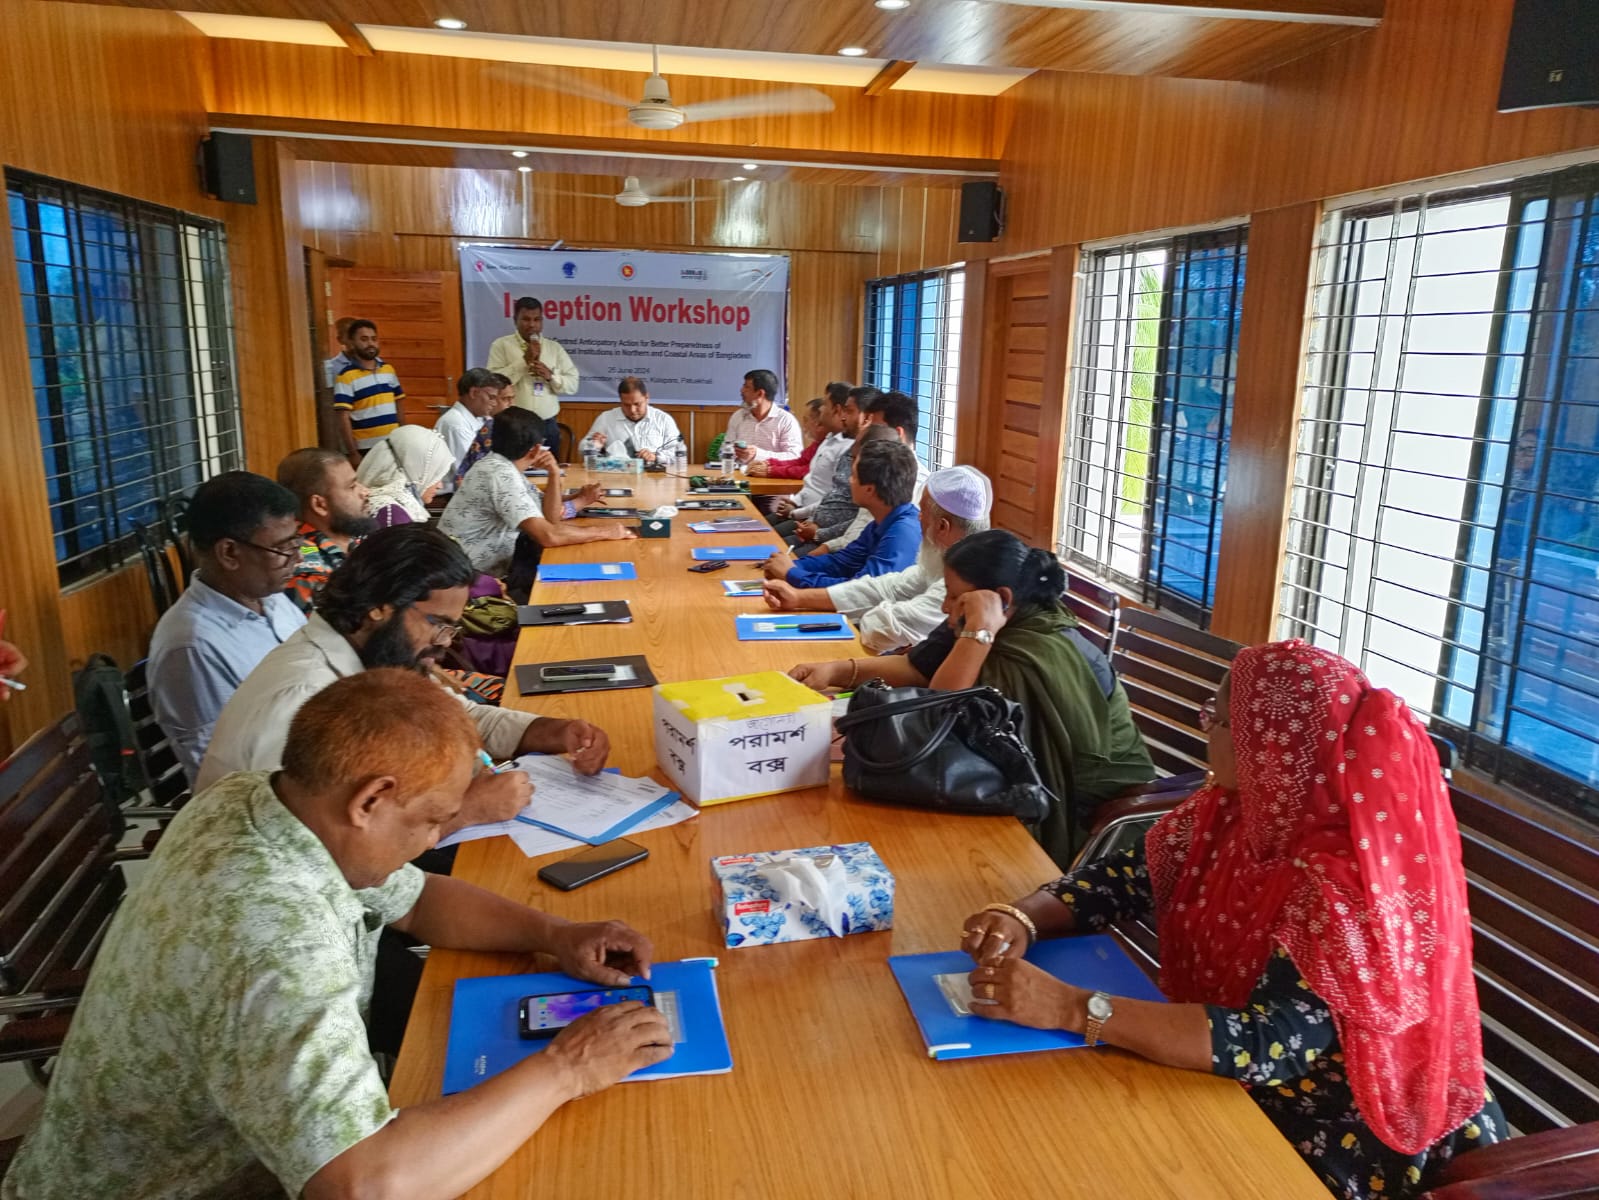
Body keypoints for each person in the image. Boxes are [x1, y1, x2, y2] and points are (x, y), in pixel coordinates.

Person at [1, 669, 670, 1200]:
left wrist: (553, 932)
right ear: (369, 801)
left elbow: (417, 901)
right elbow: (363, 1185)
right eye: (433, 819)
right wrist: (567, 1068)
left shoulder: (264, 802)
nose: (439, 838)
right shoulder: (271, 933)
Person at [956, 640, 1506, 1199]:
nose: (1206, 731)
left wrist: (1070, 1007)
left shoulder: (1345, 885)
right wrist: (1021, 915)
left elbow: (1270, 1043)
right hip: (1225, 1083)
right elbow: (1123, 879)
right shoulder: (1235, 810)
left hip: (1335, 1130)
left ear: (1274, 741)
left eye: (1218, 719)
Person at [791, 530, 1154, 862]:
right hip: (991, 773)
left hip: (1088, 808)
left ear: (1000, 599)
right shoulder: (980, 621)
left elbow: (940, 717)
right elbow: (919, 670)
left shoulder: (1033, 652)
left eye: (953, 596)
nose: (945, 606)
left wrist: (978, 632)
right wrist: (838, 670)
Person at [195, 524, 609, 811]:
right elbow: (310, 849)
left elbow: (455, 716)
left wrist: (548, 731)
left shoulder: (378, 654)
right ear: (380, 606)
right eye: (438, 625)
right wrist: (464, 810)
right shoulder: (301, 700)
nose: (444, 645)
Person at [146, 471, 307, 783]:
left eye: (296, 542)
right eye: (283, 548)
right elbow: (225, 771)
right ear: (230, 553)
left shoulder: (272, 601)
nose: (296, 558)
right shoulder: (194, 646)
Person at [763, 464, 991, 653]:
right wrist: (799, 598)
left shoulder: (968, 576)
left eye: (922, 512)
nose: (918, 518)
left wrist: (872, 612)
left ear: (943, 526)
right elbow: (884, 587)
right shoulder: (941, 559)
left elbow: (882, 629)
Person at [440, 407, 630, 580]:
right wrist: (606, 531)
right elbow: (549, 535)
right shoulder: (499, 474)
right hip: (464, 579)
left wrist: (554, 474)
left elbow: (551, 516)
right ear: (537, 448)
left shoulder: (500, 464)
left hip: (469, 570)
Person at [762, 440, 921, 589]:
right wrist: (792, 565)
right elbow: (841, 562)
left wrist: (793, 574)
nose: (849, 482)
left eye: (853, 476)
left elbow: (862, 592)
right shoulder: (879, 523)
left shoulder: (902, 533)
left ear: (869, 489)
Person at [804, 390, 930, 555]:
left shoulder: (915, 485)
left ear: (897, 434)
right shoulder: (878, 469)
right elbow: (856, 536)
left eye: (876, 427)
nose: (870, 434)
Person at [276, 447, 376, 613]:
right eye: (351, 487)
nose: (365, 492)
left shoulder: (353, 539)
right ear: (320, 505)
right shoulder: (304, 566)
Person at [784, 386, 880, 548]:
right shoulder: (848, 448)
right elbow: (834, 497)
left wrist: (819, 533)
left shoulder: (873, 461)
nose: (842, 417)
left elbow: (857, 517)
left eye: (848, 412)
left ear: (867, 419)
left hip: (831, 540)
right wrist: (802, 515)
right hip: (812, 523)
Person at [487, 296, 578, 455]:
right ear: (515, 320)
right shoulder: (501, 345)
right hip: (512, 425)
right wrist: (523, 363)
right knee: (512, 473)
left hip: (547, 425)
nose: (532, 325)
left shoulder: (554, 348)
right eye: (526, 319)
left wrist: (550, 376)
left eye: (537, 319)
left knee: (549, 472)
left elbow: (573, 384)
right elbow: (493, 383)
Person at [768, 382, 852, 526]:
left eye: (825, 404)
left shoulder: (848, 448)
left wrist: (795, 512)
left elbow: (834, 497)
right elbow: (809, 478)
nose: (821, 409)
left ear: (836, 410)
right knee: (759, 525)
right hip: (800, 508)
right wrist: (794, 502)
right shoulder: (829, 439)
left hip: (814, 518)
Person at [330, 318, 405, 463]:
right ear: (352, 343)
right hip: (366, 449)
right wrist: (352, 452)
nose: (370, 343)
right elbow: (343, 417)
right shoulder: (346, 376)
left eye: (373, 339)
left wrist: (404, 435)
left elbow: (399, 404)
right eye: (364, 339)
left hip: (394, 443)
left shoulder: (388, 370)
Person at [357, 426, 456, 528]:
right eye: (434, 476)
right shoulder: (392, 514)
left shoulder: (397, 505)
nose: (440, 486)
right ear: (415, 471)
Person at [580, 376, 683, 463]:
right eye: (626, 405)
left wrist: (656, 458)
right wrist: (593, 446)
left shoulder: (663, 420)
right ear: (620, 400)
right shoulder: (606, 418)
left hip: (654, 479)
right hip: (616, 479)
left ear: (647, 398)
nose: (632, 410)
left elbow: (679, 454)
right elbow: (582, 450)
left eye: (637, 404)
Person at [434, 368, 505, 492]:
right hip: (452, 495)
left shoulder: (481, 418)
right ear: (473, 392)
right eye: (491, 397)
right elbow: (471, 471)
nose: (494, 403)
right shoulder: (455, 423)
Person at [725, 368, 802, 463]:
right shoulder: (738, 416)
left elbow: (794, 456)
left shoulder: (785, 420)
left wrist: (758, 455)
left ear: (760, 393)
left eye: (746, 387)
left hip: (772, 476)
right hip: (739, 475)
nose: (742, 390)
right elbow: (724, 450)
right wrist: (733, 453)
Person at [748, 396, 823, 480]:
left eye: (806, 420)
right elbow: (800, 461)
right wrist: (769, 463)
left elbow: (809, 471)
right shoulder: (817, 444)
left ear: (819, 423)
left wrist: (772, 471)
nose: (803, 424)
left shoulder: (830, 444)